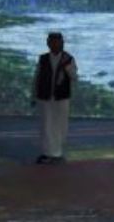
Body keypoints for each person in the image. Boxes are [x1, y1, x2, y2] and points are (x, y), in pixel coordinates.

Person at [32, 32, 77, 164]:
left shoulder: (68, 59)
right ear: (48, 44)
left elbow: (74, 77)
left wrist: (68, 70)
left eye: (59, 42)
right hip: (44, 95)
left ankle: (57, 152)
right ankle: (46, 153)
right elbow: (37, 77)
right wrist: (34, 94)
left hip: (61, 96)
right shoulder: (43, 58)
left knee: (60, 125)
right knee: (46, 125)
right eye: (53, 42)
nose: (57, 45)